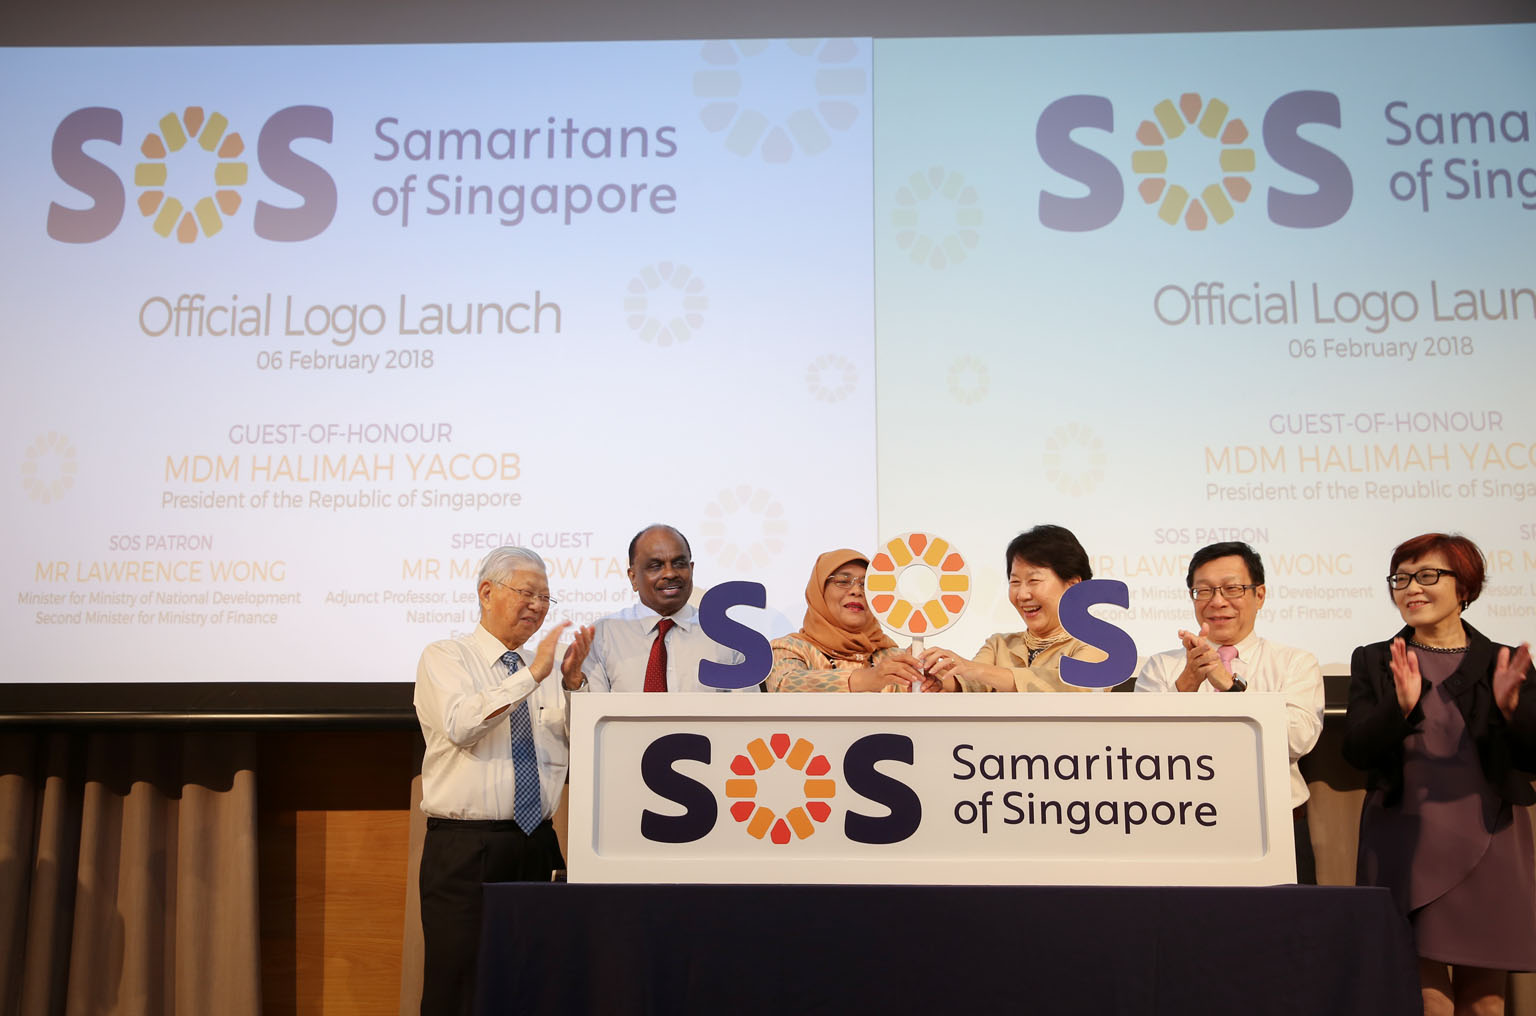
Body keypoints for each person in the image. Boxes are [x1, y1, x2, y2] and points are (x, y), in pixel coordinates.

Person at [1343, 533, 1536, 1015]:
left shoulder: (1503, 661)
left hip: (1491, 837)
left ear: (1464, 587)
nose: (1412, 588)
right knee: (1424, 999)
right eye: (1401, 578)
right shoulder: (1374, 659)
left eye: (1428, 576)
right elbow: (1357, 752)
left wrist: (1514, 709)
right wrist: (1400, 707)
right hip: (1405, 839)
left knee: (1486, 1002)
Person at [413, 546, 593, 1016]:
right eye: (526, 593)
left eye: (545, 598)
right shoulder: (446, 657)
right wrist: (533, 674)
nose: (536, 605)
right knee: (461, 988)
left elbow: (580, 748)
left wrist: (573, 686)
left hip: (539, 844)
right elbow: (462, 724)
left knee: (541, 983)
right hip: (466, 851)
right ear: (487, 592)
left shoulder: (551, 672)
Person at [1134, 541, 1324, 883]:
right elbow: (1143, 752)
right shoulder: (1162, 667)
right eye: (1203, 591)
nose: (1217, 601)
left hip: (1275, 828)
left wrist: (1230, 686)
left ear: (1260, 594)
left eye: (1232, 588)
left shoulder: (1295, 662)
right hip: (1181, 826)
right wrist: (1188, 683)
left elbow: (1296, 740)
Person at [921, 524, 1105, 693]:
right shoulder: (998, 645)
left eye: (1034, 581)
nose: (1022, 594)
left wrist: (975, 670)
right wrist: (940, 679)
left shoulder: (1100, 645)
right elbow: (971, 684)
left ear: (1072, 585)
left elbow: (1067, 687)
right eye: (1015, 582)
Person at [583, 524, 747, 692]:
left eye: (679, 564)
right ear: (633, 578)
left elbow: (750, 713)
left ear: (691, 569)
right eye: (656, 566)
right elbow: (590, 713)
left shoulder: (727, 636)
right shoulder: (603, 635)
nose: (670, 574)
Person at [767, 548, 929, 692]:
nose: (856, 591)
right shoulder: (791, 648)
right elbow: (785, 684)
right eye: (843, 582)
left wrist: (949, 680)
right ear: (818, 593)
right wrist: (866, 679)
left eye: (866, 585)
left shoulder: (892, 657)